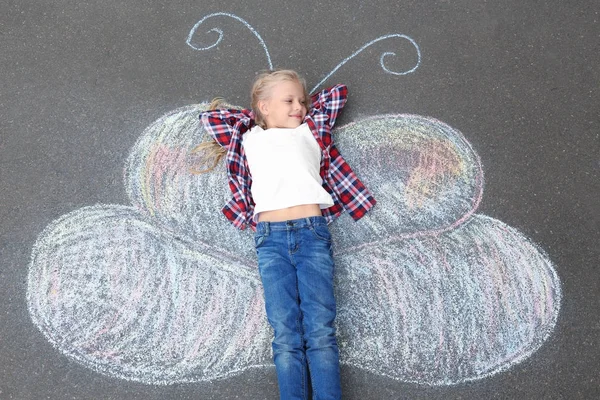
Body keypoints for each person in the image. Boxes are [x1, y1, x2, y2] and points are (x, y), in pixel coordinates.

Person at [195, 69, 376, 400]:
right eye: (289, 101)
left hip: (312, 234)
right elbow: (213, 119)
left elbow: (338, 93)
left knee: (320, 332)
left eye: (302, 101)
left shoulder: (311, 129)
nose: (299, 107)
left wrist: (296, 102)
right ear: (264, 106)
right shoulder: (246, 137)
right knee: (285, 335)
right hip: (270, 240)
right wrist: (254, 114)